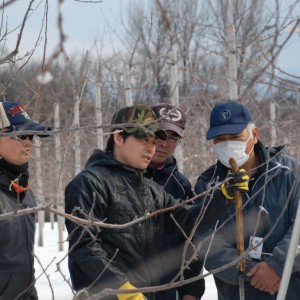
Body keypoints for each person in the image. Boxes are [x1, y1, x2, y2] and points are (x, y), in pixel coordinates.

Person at [64, 103, 229, 300]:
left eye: (153, 142)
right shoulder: (88, 184)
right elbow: (84, 247)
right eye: (144, 139)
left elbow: (188, 221)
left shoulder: (151, 191)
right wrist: (122, 289)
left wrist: (223, 196)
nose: (151, 148)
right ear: (118, 137)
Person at [194, 100, 300, 300]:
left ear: (254, 134)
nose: (227, 144)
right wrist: (250, 272)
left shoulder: (291, 173)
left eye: (235, 137)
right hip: (238, 292)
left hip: (290, 288)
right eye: (219, 139)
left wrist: (276, 265)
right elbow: (205, 241)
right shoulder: (208, 185)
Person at [144, 103, 204, 300]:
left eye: (173, 137)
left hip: (167, 290)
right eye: (159, 134)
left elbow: (192, 240)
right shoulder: (119, 179)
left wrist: (191, 290)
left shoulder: (181, 185)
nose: (164, 143)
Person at [0, 101, 50, 299]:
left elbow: (23, 264)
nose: (29, 142)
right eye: (20, 135)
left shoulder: (25, 193)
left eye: (31, 136)